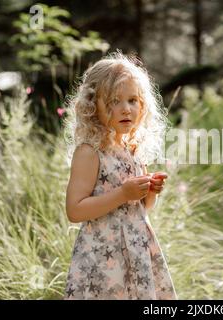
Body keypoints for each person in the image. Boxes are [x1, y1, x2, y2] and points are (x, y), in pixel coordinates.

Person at [62, 50, 177, 300]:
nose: (126, 109)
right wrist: (123, 193)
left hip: (137, 252)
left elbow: (142, 209)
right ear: (93, 107)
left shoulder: (133, 149)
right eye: (114, 101)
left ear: (142, 105)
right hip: (104, 258)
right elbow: (75, 210)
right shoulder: (90, 152)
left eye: (132, 100)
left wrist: (149, 191)